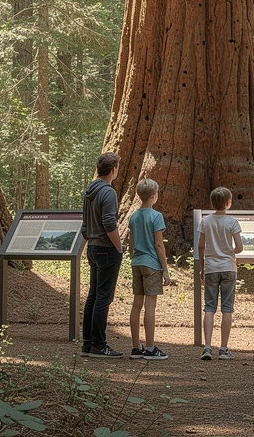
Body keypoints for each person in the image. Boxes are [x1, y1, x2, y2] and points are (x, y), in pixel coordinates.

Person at [81, 151, 124, 358]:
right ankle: (99, 344)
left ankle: (88, 344)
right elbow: (109, 222)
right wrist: (119, 246)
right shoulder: (108, 192)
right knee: (103, 297)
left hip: (93, 247)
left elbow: (84, 223)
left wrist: (90, 238)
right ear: (113, 169)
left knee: (94, 295)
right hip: (107, 249)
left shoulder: (89, 190)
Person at [197, 186, 244, 361]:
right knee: (227, 308)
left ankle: (207, 347)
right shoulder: (232, 222)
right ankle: (223, 348)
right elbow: (239, 247)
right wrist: (231, 251)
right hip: (228, 268)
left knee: (209, 307)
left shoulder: (205, 221)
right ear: (228, 203)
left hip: (210, 267)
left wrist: (202, 267)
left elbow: (201, 246)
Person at [127, 178, 171, 360]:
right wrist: (165, 269)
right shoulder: (156, 216)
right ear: (154, 196)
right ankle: (151, 348)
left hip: (136, 262)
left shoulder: (133, 216)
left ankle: (136, 347)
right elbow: (159, 244)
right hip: (152, 263)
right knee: (150, 305)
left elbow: (130, 242)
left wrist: (133, 256)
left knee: (137, 304)